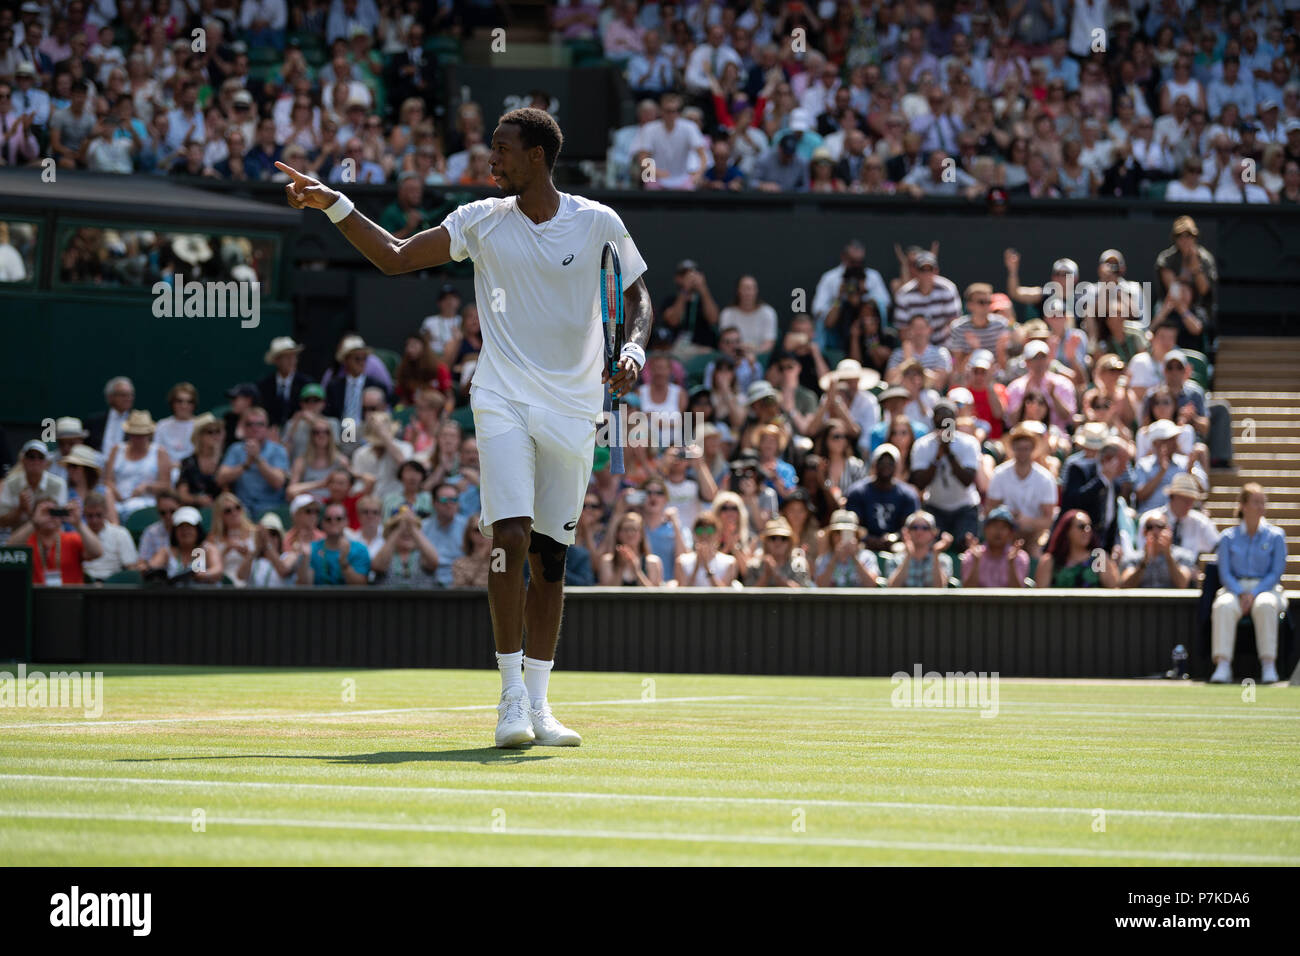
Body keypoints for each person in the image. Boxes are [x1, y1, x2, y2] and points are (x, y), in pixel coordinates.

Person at [279, 107, 653, 747]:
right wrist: (336, 204)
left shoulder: (598, 222)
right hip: (502, 397)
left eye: (503, 150)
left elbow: (638, 295)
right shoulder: (480, 221)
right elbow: (396, 257)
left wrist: (634, 348)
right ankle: (509, 698)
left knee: (551, 559)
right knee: (508, 534)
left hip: (572, 408)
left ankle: (539, 705)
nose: (491, 160)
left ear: (537, 155)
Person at [1210, 484, 1289, 684]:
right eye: (1256, 502)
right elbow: (1225, 573)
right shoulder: (1228, 537)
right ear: (1243, 506)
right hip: (1234, 589)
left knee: (1265, 605)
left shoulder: (1277, 535)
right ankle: (1223, 665)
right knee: (1223, 606)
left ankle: (1268, 664)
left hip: (1266, 589)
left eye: (1263, 502)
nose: (1261, 507)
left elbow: (1275, 572)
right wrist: (1240, 592)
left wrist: (1254, 593)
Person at [909, 400, 982, 545]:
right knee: (932, 546)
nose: (944, 422)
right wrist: (937, 456)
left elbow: (967, 480)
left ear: (955, 420)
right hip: (935, 507)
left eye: (948, 417)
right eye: (939, 418)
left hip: (964, 507)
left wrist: (949, 453)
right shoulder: (922, 445)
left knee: (965, 545)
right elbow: (920, 483)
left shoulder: (969, 443)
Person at [987, 423, 1058, 555]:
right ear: (1013, 448)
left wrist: (1028, 522)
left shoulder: (1045, 478)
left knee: (1037, 551)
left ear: (1032, 449)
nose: (1022, 453)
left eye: (1026, 448)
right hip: (1005, 533)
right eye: (1019, 448)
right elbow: (990, 509)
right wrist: (1007, 517)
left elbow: (1048, 519)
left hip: (1035, 534)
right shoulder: (1000, 474)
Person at [844, 443, 920, 552]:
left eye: (890, 463)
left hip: (898, 547)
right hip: (862, 545)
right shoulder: (857, 492)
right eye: (882, 462)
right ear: (874, 464)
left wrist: (894, 537)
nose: (886, 466)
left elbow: (910, 526)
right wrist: (869, 539)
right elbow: (852, 525)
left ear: (896, 466)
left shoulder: (908, 494)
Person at [216, 405, 289, 518]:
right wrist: (246, 464)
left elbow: (278, 483)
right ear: (243, 427)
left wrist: (258, 459)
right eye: (250, 424)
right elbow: (220, 478)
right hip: (241, 509)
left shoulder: (278, 450)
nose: (255, 428)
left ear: (266, 428)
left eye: (260, 424)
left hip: (271, 508)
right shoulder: (235, 449)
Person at [17, 496, 103, 586]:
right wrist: (34, 522)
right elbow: (9, 549)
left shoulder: (72, 538)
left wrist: (78, 524)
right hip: (35, 596)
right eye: (44, 513)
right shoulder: (26, 539)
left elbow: (97, 552)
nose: (50, 517)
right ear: (35, 515)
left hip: (70, 595)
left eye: (54, 512)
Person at [104, 410, 172, 519]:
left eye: (142, 435)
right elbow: (108, 480)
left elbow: (166, 486)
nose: (138, 439)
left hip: (147, 504)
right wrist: (116, 493)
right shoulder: (116, 450)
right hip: (117, 504)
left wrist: (147, 487)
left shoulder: (159, 452)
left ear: (149, 435)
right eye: (134, 435)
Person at [0, 440, 68, 541]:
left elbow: (61, 517)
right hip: (18, 541)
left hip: (51, 540)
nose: (36, 461)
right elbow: (2, 521)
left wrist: (37, 510)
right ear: (23, 460)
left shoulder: (59, 484)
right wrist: (20, 510)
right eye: (31, 457)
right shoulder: (10, 484)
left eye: (40, 457)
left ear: (47, 463)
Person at [1035, 508, 1118, 588]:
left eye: (1089, 526)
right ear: (1067, 530)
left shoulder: (1099, 559)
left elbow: (1114, 590)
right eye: (1081, 526)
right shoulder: (1049, 561)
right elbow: (1040, 597)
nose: (1087, 530)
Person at [299, 501, 371, 587]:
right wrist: (306, 558)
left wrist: (344, 562)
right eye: (328, 519)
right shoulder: (311, 548)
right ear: (322, 523)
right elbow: (305, 587)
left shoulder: (360, 549)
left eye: (338, 519)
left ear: (346, 521)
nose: (333, 522)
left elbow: (361, 586)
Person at [146, 506, 223, 585]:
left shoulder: (208, 549)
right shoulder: (165, 551)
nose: (185, 531)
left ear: (197, 529)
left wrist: (199, 575)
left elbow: (217, 570)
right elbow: (152, 568)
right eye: (181, 527)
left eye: (189, 527)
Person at [1120, 511, 1197, 589]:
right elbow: (1125, 586)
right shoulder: (1132, 558)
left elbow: (1182, 585)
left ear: (1169, 530)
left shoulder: (1183, 556)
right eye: (1150, 527)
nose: (1155, 531)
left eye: (1160, 526)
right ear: (1144, 532)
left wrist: (1168, 555)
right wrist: (1145, 560)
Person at [961, 506, 1028, 588]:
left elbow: (1019, 596)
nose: (998, 531)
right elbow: (967, 592)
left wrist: (1011, 564)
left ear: (1011, 533)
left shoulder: (1019, 557)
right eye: (994, 526)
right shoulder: (972, 555)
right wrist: (976, 562)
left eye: (1003, 527)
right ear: (985, 530)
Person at [884, 510, 955, 588]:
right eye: (914, 527)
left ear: (934, 532)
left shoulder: (943, 560)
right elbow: (892, 588)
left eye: (925, 528)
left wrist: (935, 553)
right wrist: (908, 555)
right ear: (906, 532)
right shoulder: (894, 559)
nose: (919, 532)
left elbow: (940, 588)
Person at [371, 508, 440, 588]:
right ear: (390, 532)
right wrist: (399, 529)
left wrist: (413, 528)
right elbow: (377, 566)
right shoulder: (385, 552)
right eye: (397, 526)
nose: (406, 532)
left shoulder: (422, 555)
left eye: (410, 528)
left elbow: (434, 562)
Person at [813, 509, 880, 588]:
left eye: (848, 532)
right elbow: (820, 586)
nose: (841, 537)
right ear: (832, 536)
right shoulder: (824, 559)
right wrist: (834, 559)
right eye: (838, 532)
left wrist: (855, 558)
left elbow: (871, 585)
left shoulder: (867, 556)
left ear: (856, 536)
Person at [672, 511, 739, 587]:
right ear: (694, 534)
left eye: (710, 530)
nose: (704, 534)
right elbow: (682, 593)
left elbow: (723, 595)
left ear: (718, 534)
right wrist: (697, 566)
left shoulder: (729, 562)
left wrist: (707, 568)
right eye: (700, 530)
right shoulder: (682, 561)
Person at [598, 510, 663, 586]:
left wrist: (637, 571)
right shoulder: (607, 561)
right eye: (625, 529)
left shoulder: (652, 562)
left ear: (641, 534)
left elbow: (654, 595)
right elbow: (607, 593)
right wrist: (620, 567)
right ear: (618, 534)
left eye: (634, 529)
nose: (630, 533)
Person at [236, 513, 298, 587]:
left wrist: (268, 544)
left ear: (280, 538)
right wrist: (256, 549)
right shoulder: (253, 560)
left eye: (273, 534)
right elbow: (241, 576)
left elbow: (284, 571)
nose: (269, 538)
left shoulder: (289, 556)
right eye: (265, 535)